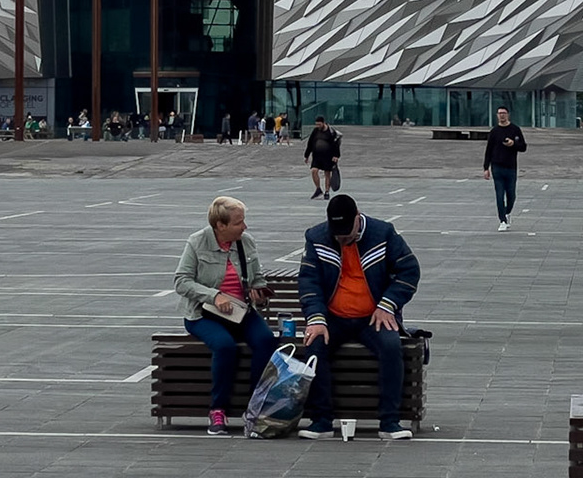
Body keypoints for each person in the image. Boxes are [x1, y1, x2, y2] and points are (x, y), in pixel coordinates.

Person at [297, 193, 420, 441]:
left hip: (373, 316)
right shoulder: (316, 237)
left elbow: (409, 271)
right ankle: (321, 421)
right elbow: (309, 281)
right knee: (314, 347)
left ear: (357, 217)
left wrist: (388, 305)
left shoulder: (383, 234)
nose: (343, 239)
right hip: (333, 317)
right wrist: (316, 318)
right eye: (338, 234)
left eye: (347, 232)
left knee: (390, 346)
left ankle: (390, 422)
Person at [174, 196, 274, 437]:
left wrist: (259, 292)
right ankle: (218, 409)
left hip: (240, 312)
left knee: (267, 341)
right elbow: (181, 281)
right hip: (204, 314)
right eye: (239, 222)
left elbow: (257, 277)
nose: (245, 227)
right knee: (225, 346)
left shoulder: (246, 242)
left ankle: (255, 405)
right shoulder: (197, 242)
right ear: (221, 226)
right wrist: (214, 295)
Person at [482, 105, 526, 231]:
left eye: (504, 113)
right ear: (497, 115)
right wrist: (486, 168)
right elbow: (488, 150)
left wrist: (513, 144)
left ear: (508, 115)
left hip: (511, 167)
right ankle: (502, 220)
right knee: (499, 195)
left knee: (511, 195)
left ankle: (507, 212)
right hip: (497, 167)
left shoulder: (515, 129)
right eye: (499, 113)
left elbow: (523, 147)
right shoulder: (494, 131)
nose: (501, 115)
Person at [304, 115, 341, 199]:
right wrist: (306, 155)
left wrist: (336, 155)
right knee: (314, 171)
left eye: (319, 125)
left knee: (327, 174)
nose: (318, 126)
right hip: (317, 155)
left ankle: (327, 191)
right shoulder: (315, 131)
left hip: (328, 156)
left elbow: (336, 144)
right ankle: (318, 189)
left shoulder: (331, 132)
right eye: (316, 125)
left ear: (324, 123)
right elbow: (310, 143)